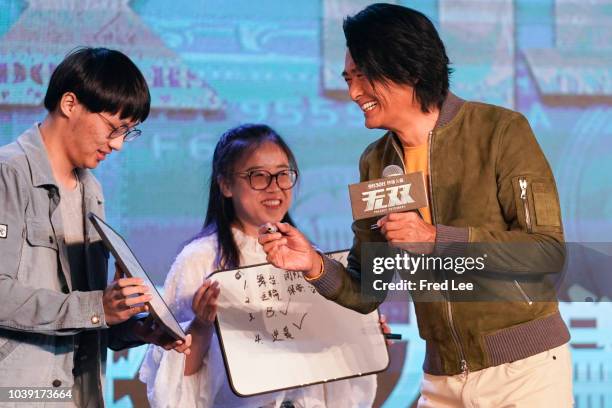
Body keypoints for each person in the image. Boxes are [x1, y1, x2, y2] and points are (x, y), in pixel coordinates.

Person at [259, 3, 572, 407]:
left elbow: (545, 253)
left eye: (364, 77)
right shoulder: (376, 161)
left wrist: (436, 239)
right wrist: (314, 266)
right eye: (349, 79)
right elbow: (368, 289)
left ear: (410, 68)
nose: (354, 93)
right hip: (441, 377)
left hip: (523, 372)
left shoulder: (500, 131)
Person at [0, 47, 190, 407]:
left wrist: (131, 327)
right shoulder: (8, 174)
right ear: (70, 103)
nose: (117, 144)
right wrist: (97, 307)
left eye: (128, 133)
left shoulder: (91, 189)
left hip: (80, 395)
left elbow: (85, 312)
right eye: (113, 128)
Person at [139, 124, 378, 408]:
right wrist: (201, 326)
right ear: (226, 185)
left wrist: (362, 337)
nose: (274, 187)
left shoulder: (308, 256)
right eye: (258, 176)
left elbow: (329, 358)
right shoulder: (198, 259)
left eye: (282, 174)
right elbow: (174, 384)